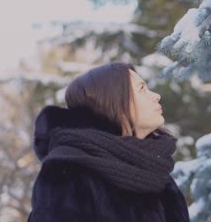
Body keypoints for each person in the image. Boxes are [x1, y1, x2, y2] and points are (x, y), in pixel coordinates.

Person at [27, 62, 190, 222]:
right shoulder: (67, 171)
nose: (156, 96)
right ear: (114, 101)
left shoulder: (157, 172)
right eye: (142, 89)